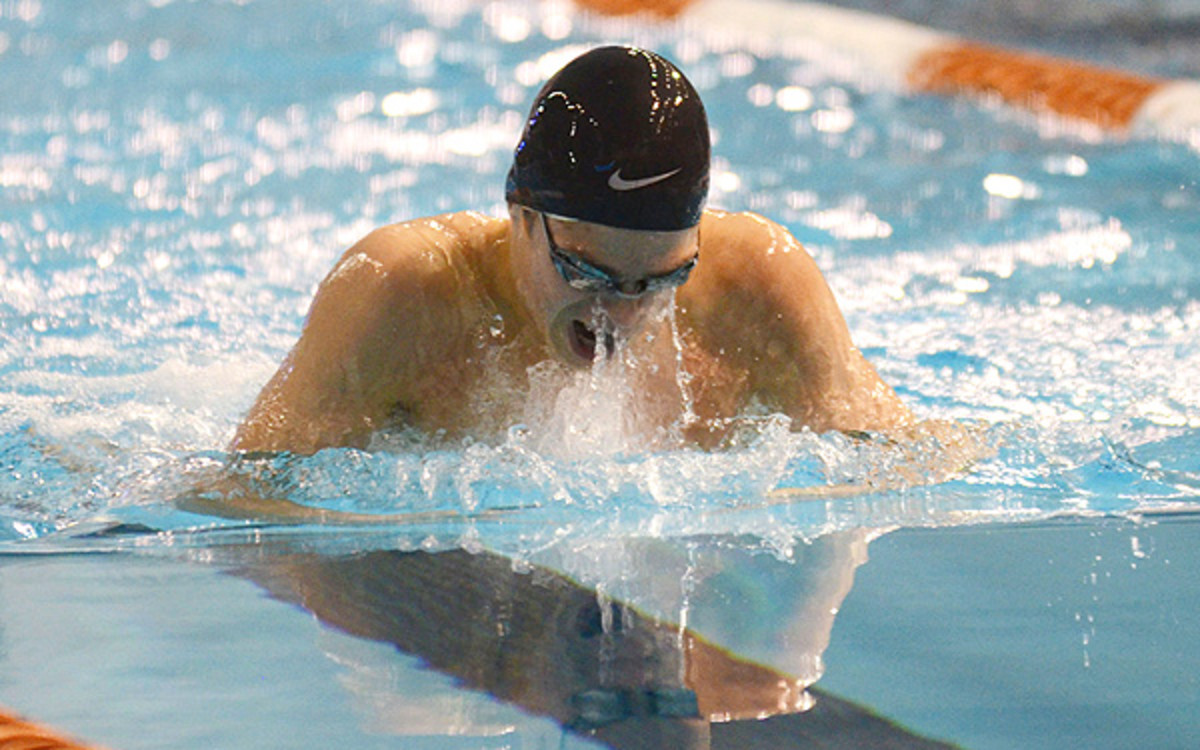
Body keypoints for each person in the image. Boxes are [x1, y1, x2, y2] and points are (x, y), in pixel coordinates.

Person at [231, 45, 912, 455]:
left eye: (661, 281)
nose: (621, 312)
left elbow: (905, 461)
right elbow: (254, 494)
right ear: (521, 216)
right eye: (587, 272)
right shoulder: (402, 292)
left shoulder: (760, 283)